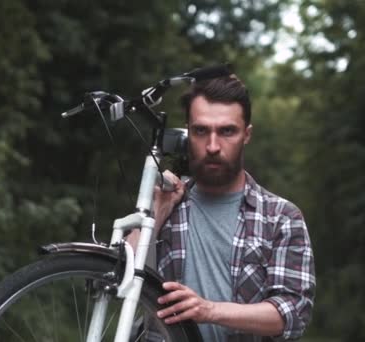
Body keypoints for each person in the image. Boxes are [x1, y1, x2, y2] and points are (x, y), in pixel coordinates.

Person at [132, 75, 315, 341]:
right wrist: (156, 213)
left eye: (227, 131)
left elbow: (292, 313)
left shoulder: (281, 218)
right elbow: (115, 275)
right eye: (201, 131)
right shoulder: (168, 201)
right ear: (188, 132)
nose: (213, 146)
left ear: (247, 135)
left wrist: (209, 310)